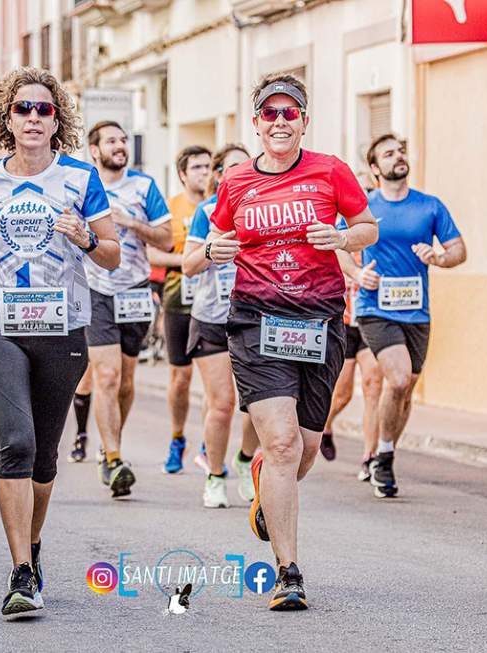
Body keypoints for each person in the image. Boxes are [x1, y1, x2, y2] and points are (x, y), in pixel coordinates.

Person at [0, 66, 120, 617]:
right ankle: (21, 571)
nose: (33, 117)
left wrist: (87, 237)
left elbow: (112, 253)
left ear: (56, 121)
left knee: (44, 459)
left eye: (43, 109)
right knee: (17, 443)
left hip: (62, 329)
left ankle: (35, 545)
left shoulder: (80, 178)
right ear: (7, 118)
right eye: (23, 108)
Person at [206, 74, 377, 609]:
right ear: (256, 123)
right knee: (280, 442)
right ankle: (289, 573)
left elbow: (368, 225)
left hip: (320, 321)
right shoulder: (235, 181)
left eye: (290, 113)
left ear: (305, 120)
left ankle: (263, 483)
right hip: (257, 319)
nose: (280, 122)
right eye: (270, 114)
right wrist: (216, 250)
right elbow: (218, 235)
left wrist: (344, 237)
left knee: (302, 449)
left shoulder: (331, 171)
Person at [354, 134, 466, 498]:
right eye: (388, 153)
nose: (398, 156)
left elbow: (458, 250)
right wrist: (356, 275)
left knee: (406, 390)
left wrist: (439, 258)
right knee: (398, 380)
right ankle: (382, 458)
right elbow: (339, 247)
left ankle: (384, 453)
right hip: (375, 308)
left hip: (417, 312)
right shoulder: (364, 207)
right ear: (375, 168)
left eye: (401, 150)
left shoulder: (429, 206)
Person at [83, 120, 173, 497]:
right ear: (94, 150)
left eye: (123, 140)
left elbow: (168, 239)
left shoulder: (144, 186)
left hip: (134, 289)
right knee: (106, 376)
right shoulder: (83, 186)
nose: (120, 146)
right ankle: (114, 457)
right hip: (94, 289)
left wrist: (132, 223)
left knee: (127, 380)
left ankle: (110, 444)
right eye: (111, 141)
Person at [183, 143, 260, 507]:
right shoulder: (207, 211)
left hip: (256, 316)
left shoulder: (266, 210)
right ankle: (214, 475)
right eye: (231, 168)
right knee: (223, 403)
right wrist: (211, 251)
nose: (239, 173)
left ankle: (244, 459)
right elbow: (188, 265)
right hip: (212, 318)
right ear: (218, 175)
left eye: (246, 167)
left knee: (258, 404)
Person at [151, 145, 212, 473]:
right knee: (181, 378)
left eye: (208, 166)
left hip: (216, 303)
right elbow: (152, 255)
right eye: (197, 167)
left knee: (215, 380)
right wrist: (190, 260)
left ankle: (209, 443)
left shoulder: (221, 205)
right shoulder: (171, 209)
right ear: (183, 175)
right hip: (179, 300)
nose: (204, 172)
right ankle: (177, 439)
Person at [319, 248, 383, 482]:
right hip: (343, 324)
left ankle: (370, 457)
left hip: (371, 322)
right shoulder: (338, 242)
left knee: (373, 385)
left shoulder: (379, 245)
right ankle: (325, 426)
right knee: (342, 393)